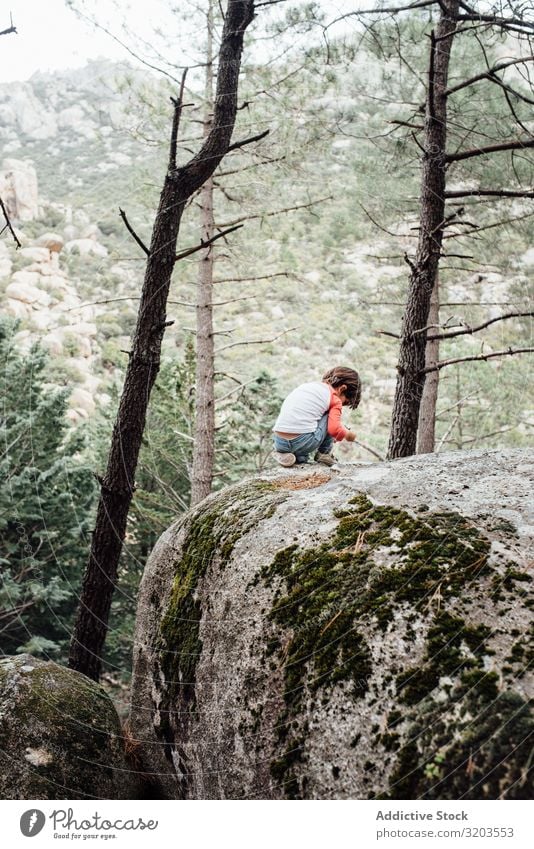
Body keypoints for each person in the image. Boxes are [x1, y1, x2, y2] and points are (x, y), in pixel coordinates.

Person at [272, 366, 361, 467]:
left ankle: (293, 457)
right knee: (329, 417)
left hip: (279, 441)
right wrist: (346, 433)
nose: (342, 405)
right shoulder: (334, 398)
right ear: (342, 389)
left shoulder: (308, 387)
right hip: (302, 442)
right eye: (345, 402)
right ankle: (324, 454)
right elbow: (334, 429)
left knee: (309, 421)